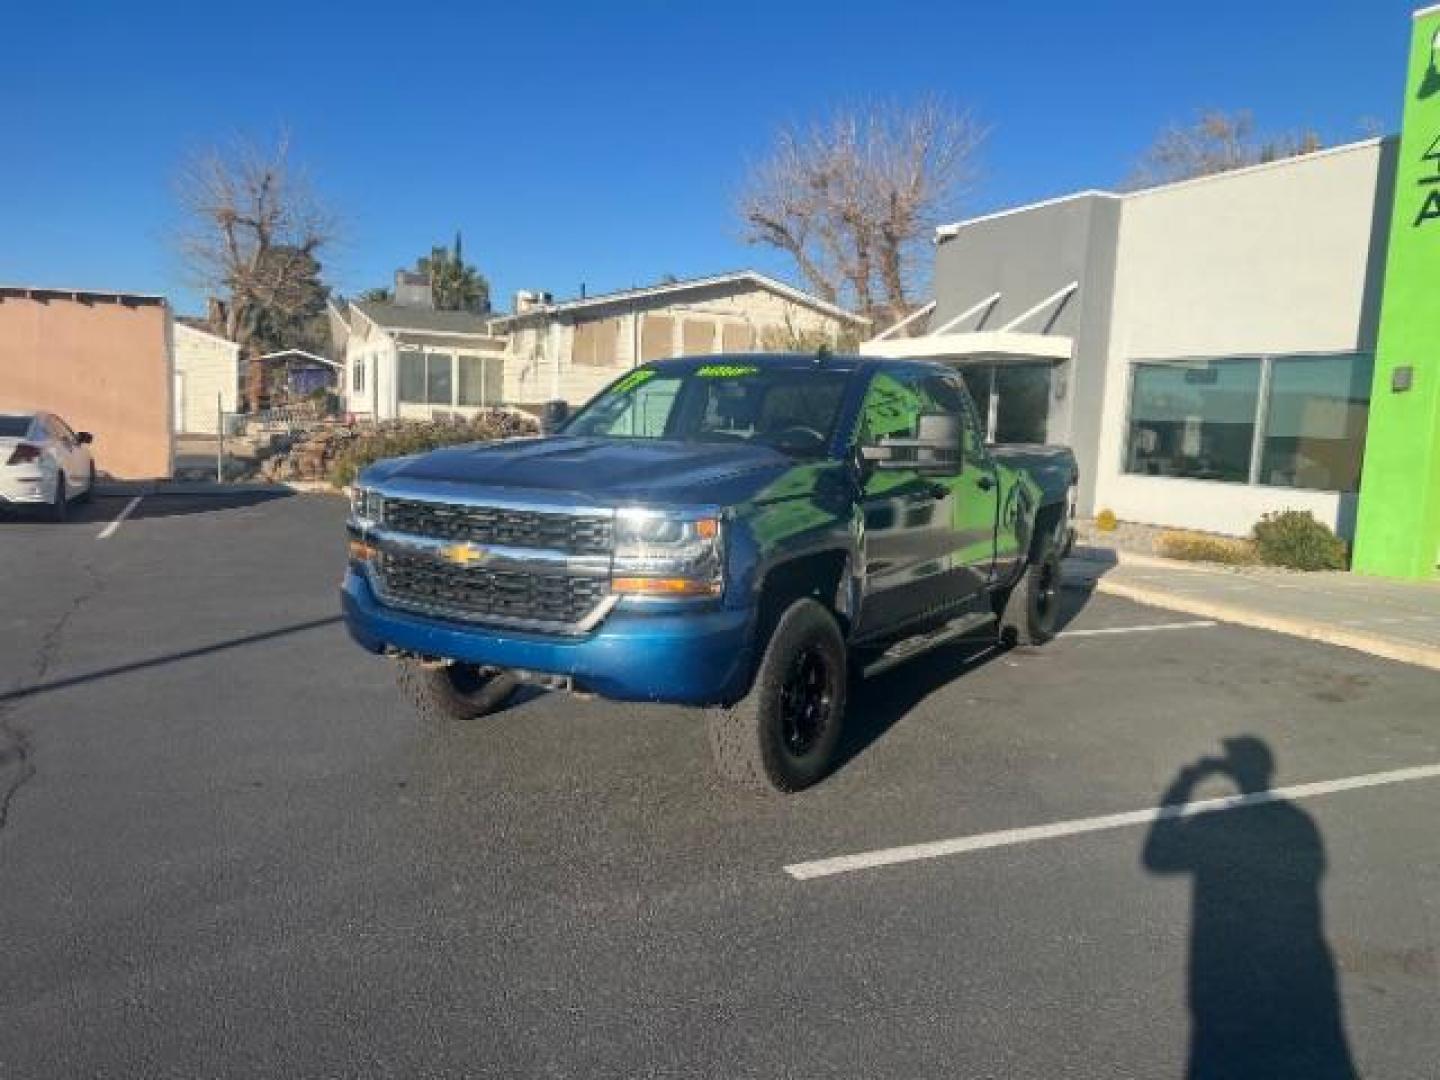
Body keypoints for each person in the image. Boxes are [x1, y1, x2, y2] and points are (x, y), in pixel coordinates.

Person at [1142, 737, 1357, 1079]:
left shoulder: (1215, 824)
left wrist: (1186, 781)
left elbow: (1156, 857)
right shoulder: (1299, 823)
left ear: (1235, 769)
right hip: (1298, 971)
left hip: (1226, 975)